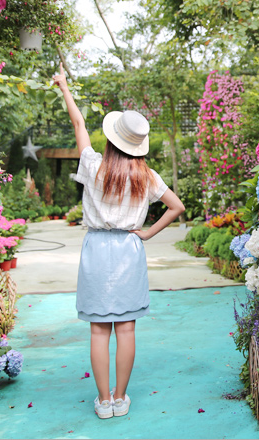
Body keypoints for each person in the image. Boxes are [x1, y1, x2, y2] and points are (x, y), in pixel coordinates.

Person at [53, 69, 185, 420]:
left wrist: (65, 85)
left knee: (99, 328)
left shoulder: (94, 164)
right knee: (126, 327)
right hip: (129, 249)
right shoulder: (147, 175)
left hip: (97, 249)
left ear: (112, 139)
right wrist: (147, 233)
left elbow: (79, 125)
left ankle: (103, 401)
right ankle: (121, 397)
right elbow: (177, 208)